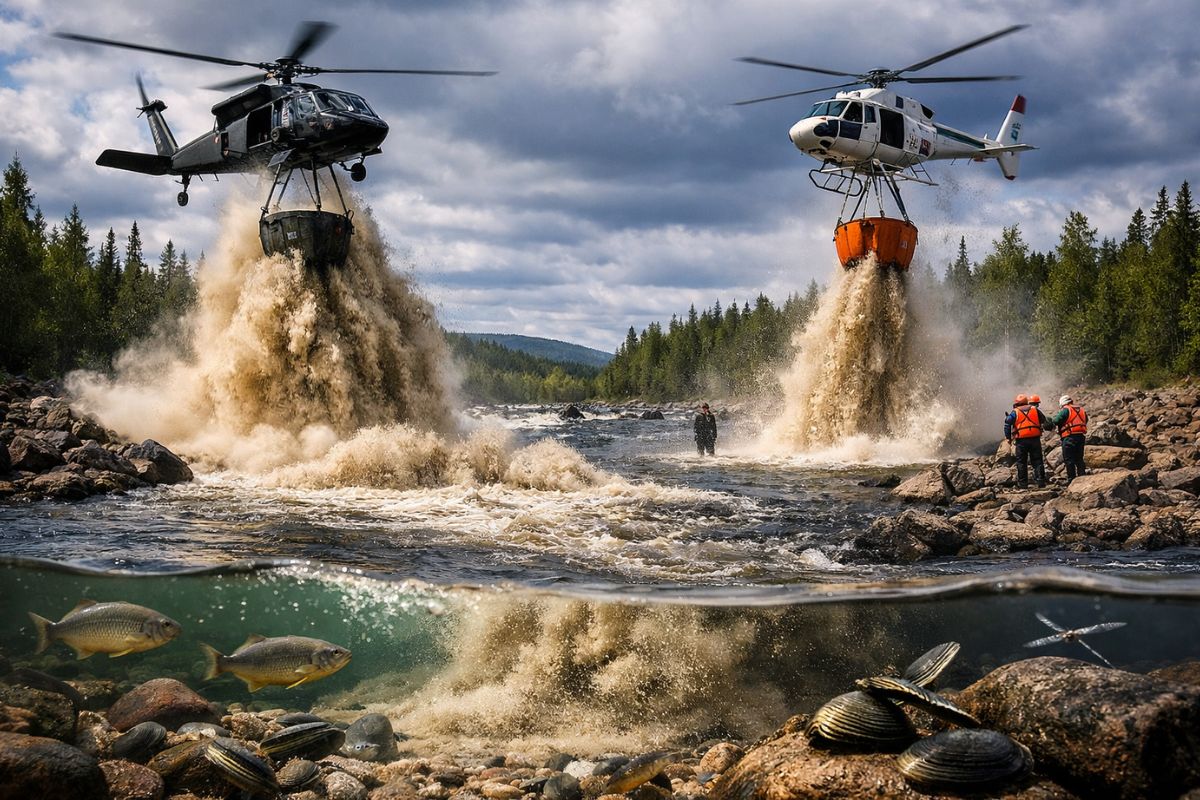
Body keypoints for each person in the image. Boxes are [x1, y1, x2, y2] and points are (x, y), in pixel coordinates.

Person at [1004, 393, 1049, 488]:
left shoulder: (1015, 412)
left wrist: (1008, 438)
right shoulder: (1035, 409)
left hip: (1021, 441)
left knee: (1021, 462)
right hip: (1035, 439)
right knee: (1037, 460)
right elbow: (1044, 421)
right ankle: (1040, 481)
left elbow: (1007, 423)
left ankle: (1023, 484)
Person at [1051, 394, 1088, 483]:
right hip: (1080, 436)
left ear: (1062, 403)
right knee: (1079, 458)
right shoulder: (1081, 409)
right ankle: (1082, 476)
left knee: (1069, 459)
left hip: (1069, 437)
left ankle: (1072, 479)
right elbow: (1086, 420)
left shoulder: (1065, 410)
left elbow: (1056, 421)